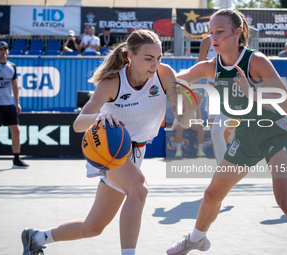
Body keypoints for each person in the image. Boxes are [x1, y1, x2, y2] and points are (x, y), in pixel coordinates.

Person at [21, 29, 200, 255]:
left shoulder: (164, 74)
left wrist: (190, 108)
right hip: (109, 149)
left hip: (136, 152)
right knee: (139, 189)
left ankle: (36, 237)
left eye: (158, 58)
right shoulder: (112, 82)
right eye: (148, 58)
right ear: (130, 56)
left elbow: (183, 119)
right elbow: (78, 124)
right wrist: (98, 117)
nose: (155, 64)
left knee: (93, 227)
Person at [166, 9, 287, 255]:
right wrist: (143, 71)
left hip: (277, 133)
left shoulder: (255, 61)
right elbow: (174, 80)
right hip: (246, 136)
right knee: (212, 193)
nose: (214, 37)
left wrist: (253, 95)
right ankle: (196, 239)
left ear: (237, 33)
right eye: (211, 32)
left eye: (220, 31)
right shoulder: (210, 67)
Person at [0, 41, 29, 169]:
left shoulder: (12, 66)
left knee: (16, 131)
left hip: (9, 104)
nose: (3, 51)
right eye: (0, 49)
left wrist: (17, 103)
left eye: (5, 49)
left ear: (7, 51)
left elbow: (14, 85)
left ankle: (16, 159)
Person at [197, 34, 228, 164]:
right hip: (213, 92)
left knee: (230, 134)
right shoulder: (206, 41)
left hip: (231, 92)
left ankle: (231, 169)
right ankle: (220, 171)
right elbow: (199, 66)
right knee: (215, 133)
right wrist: (194, 88)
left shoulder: (233, 40)